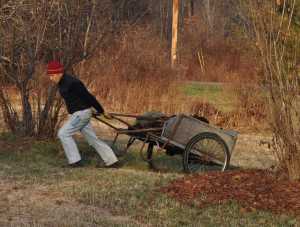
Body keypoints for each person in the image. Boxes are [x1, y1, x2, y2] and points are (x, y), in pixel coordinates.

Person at [47, 60, 120, 168]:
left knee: (63, 133)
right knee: (92, 139)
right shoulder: (62, 83)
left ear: (59, 73)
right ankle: (112, 161)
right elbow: (77, 99)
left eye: (52, 75)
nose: (50, 78)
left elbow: (88, 97)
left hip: (81, 114)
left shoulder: (73, 83)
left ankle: (75, 161)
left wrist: (101, 110)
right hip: (80, 113)